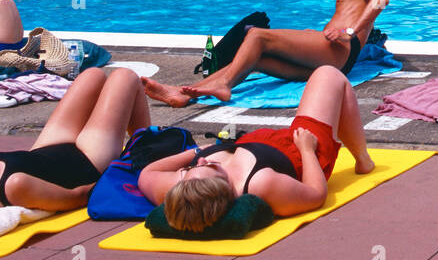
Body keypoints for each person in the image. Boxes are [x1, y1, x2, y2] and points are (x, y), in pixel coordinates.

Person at [0, 67, 150, 230]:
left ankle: (147, 144)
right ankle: (148, 153)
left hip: (47, 149)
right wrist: (121, 174)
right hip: (86, 159)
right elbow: (78, 197)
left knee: (92, 76)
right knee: (124, 78)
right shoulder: (14, 187)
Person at [146, 0, 388, 106]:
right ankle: (184, 93)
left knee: (256, 35)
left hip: (339, 50)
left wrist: (348, 32)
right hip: (338, 63)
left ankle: (222, 85)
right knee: (256, 59)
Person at [137, 66, 374, 229]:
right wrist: (307, 150)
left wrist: (196, 152)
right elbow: (315, 195)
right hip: (298, 148)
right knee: (329, 75)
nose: (201, 162)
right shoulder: (261, 184)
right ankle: (363, 159)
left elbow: (147, 174)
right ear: (225, 189)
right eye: (210, 165)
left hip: (259, 144)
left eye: (189, 170)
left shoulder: (185, 188)